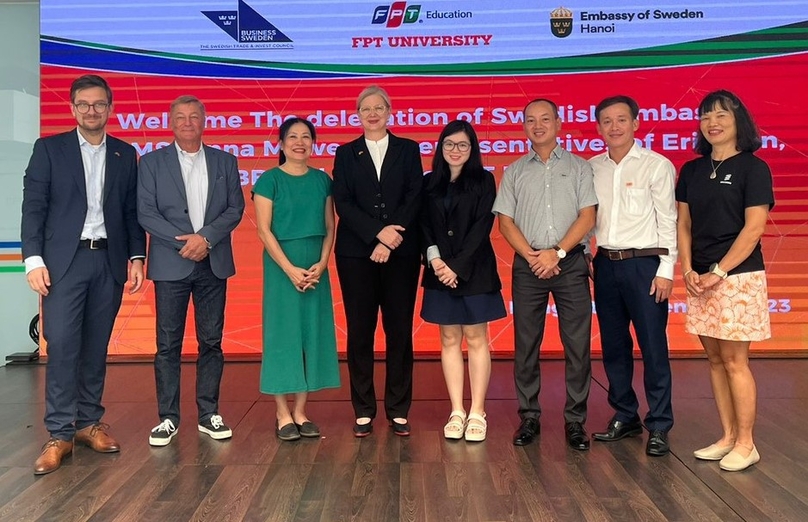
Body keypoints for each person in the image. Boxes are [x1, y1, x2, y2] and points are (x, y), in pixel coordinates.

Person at [21, 74, 146, 474]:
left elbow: (130, 213)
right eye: (84, 104)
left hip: (108, 261)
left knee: (95, 346)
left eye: (99, 104)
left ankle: (89, 423)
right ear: (72, 108)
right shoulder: (49, 149)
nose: (92, 111)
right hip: (62, 263)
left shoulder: (126, 154)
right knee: (62, 346)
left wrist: (138, 257)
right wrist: (33, 260)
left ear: (110, 108)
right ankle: (59, 432)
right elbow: (33, 207)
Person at [137, 95, 245, 446]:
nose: (187, 122)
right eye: (180, 117)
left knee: (211, 341)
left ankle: (208, 413)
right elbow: (146, 213)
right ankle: (167, 418)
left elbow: (234, 208)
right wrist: (185, 242)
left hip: (213, 263)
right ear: (170, 122)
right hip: (171, 264)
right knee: (167, 344)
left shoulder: (225, 161)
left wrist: (206, 239)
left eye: (194, 116)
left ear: (204, 121)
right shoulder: (151, 163)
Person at [676, 90, 774, 472]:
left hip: (738, 277)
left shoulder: (754, 168)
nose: (712, 122)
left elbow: (754, 229)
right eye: (705, 116)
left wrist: (719, 271)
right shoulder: (692, 170)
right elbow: (684, 224)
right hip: (700, 278)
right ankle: (728, 436)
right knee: (714, 360)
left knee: (735, 361)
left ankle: (747, 443)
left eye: (721, 116)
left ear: (739, 123)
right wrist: (688, 270)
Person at [492, 98, 597, 450]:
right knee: (526, 344)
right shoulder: (515, 171)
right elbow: (505, 221)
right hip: (529, 263)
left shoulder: (581, 168)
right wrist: (533, 255)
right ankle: (529, 416)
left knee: (577, 344)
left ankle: (575, 421)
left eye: (545, 119)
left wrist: (559, 253)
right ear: (523, 127)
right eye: (530, 120)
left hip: (569, 263)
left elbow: (587, 216)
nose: (538, 125)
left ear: (559, 123)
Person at [588, 95, 678, 457]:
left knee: (653, 346)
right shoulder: (591, 167)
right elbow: (584, 218)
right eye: (606, 121)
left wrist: (667, 270)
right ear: (598, 127)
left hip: (646, 266)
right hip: (605, 264)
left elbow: (668, 220)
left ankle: (659, 423)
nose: (614, 127)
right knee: (613, 346)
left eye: (621, 120)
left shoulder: (656, 165)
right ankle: (624, 414)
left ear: (637, 123)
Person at [332, 85, 423, 437]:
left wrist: (391, 237)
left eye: (379, 107)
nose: (372, 113)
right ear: (357, 115)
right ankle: (364, 410)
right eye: (365, 108)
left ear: (389, 111)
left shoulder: (408, 149)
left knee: (399, 330)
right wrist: (377, 234)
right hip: (357, 254)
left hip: (400, 252)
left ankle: (399, 409)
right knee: (360, 331)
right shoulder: (345, 153)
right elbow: (344, 202)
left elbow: (415, 195)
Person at [252, 118, 340, 441]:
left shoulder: (322, 180)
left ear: (314, 143)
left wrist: (322, 262)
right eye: (293, 137)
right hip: (281, 266)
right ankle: (281, 412)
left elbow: (331, 226)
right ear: (281, 143)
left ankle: (301, 411)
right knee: (282, 335)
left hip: (315, 265)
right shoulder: (269, 180)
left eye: (306, 137)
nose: (300, 142)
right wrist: (289, 269)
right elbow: (263, 230)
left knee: (310, 334)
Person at [420, 120, 506, 442]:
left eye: (463, 145)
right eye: (450, 144)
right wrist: (436, 261)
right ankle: (457, 409)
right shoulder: (429, 183)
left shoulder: (484, 181)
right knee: (448, 339)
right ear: (441, 148)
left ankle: (477, 411)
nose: (456, 151)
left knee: (476, 337)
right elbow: (424, 226)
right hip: (439, 270)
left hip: (474, 271)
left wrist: (456, 266)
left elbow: (482, 227)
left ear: (473, 150)